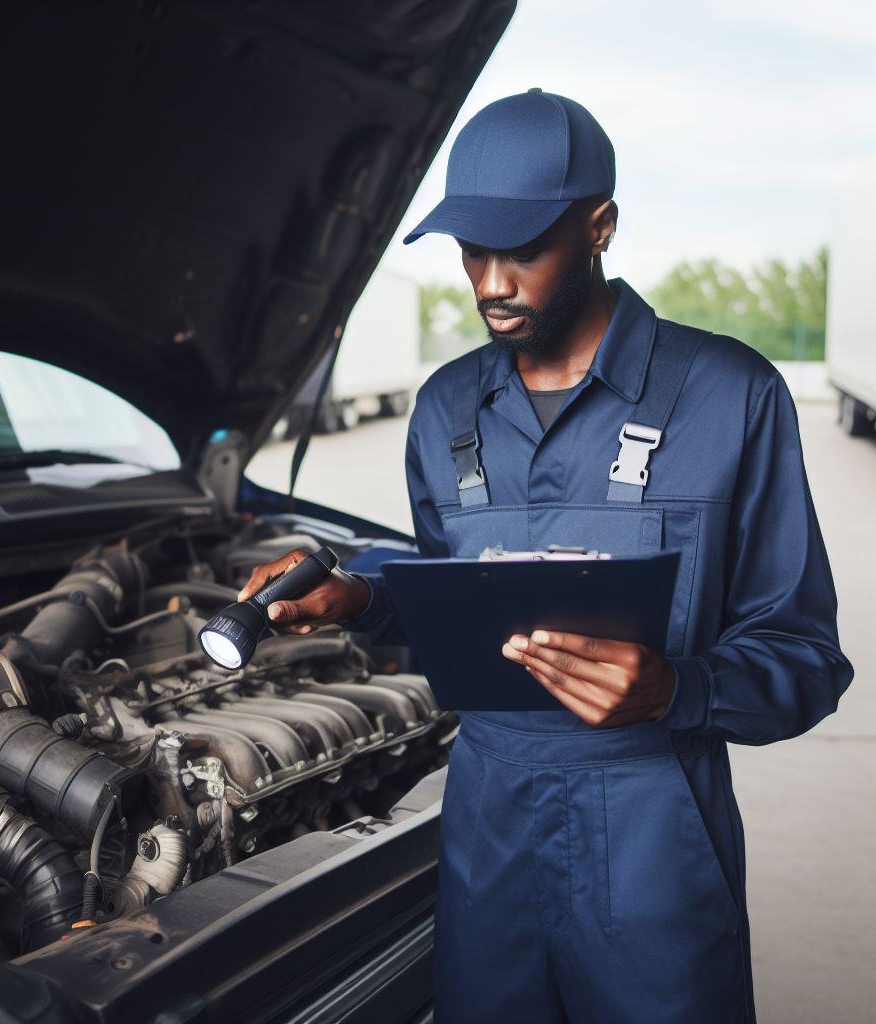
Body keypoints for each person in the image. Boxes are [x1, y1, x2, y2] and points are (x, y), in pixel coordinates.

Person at [236, 90, 854, 1023]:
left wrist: (673, 689)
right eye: (470, 252)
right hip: (487, 830)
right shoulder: (446, 411)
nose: (489, 283)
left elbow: (805, 657)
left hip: (653, 841)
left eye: (521, 250)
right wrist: (359, 599)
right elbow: (456, 603)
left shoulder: (731, 397)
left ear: (600, 226)